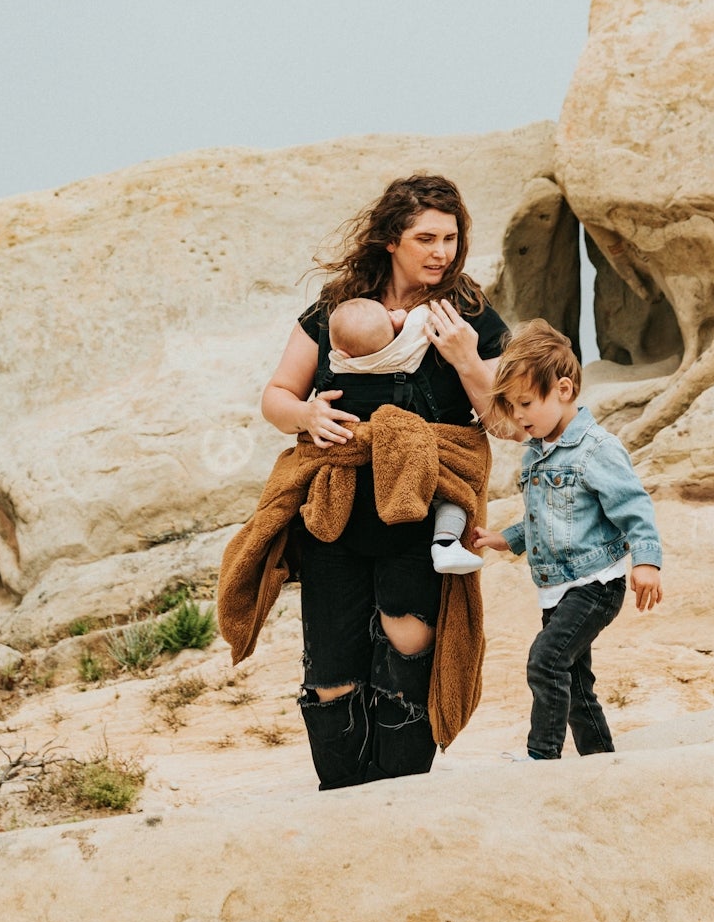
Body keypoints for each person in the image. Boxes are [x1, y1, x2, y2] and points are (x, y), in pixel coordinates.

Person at [217, 174, 508, 790]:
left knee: (409, 637)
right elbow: (276, 397)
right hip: (335, 504)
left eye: (451, 238)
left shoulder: (469, 313)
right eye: (425, 238)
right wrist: (307, 415)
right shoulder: (333, 309)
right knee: (330, 666)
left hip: (419, 506)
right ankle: (340, 796)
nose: (441, 252)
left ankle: (396, 791)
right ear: (389, 240)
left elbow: (506, 420)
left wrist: (464, 358)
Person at [474, 318, 663, 761]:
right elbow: (549, 518)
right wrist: (507, 538)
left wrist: (647, 561)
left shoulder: (597, 448)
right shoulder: (538, 453)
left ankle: (542, 757)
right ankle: (600, 758)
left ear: (562, 389)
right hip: (556, 589)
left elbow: (634, 506)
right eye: (511, 407)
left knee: (546, 661)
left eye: (524, 403)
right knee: (575, 682)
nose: (518, 417)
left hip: (596, 585)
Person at [327, 297, 483, 574]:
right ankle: (446, 544)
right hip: (412, 457)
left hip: (368, 479)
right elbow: (425, 320)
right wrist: (402, 318)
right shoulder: (404, 352)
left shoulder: (339, 366)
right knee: (454, 495)